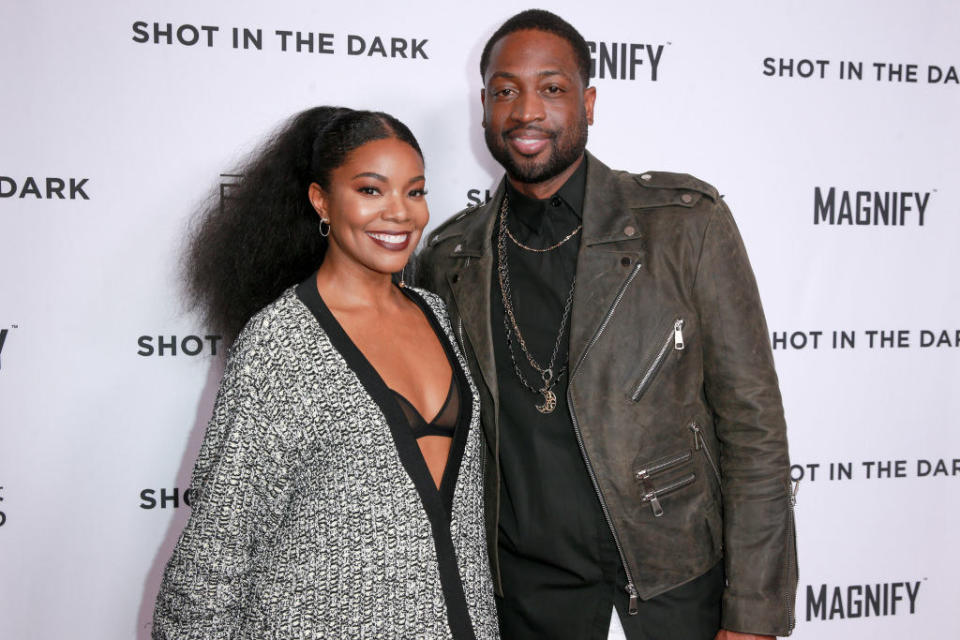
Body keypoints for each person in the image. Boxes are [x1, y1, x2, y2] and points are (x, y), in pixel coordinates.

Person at [417, 10, 797, 640]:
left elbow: (754, 426)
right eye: (505, 91)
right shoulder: (451, 259)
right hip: (525, 604)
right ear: (483, 108)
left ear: (589, 103)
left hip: (673, 590)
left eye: (553, 88)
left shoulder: (684, 227)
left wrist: (754, 612)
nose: (526, 111)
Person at [152, 106, 499, 639]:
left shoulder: (441, 316)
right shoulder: (281, 342)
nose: (400, 213)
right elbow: (216, 552)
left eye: (415, 191)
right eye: (370, 190)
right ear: (322, 201)